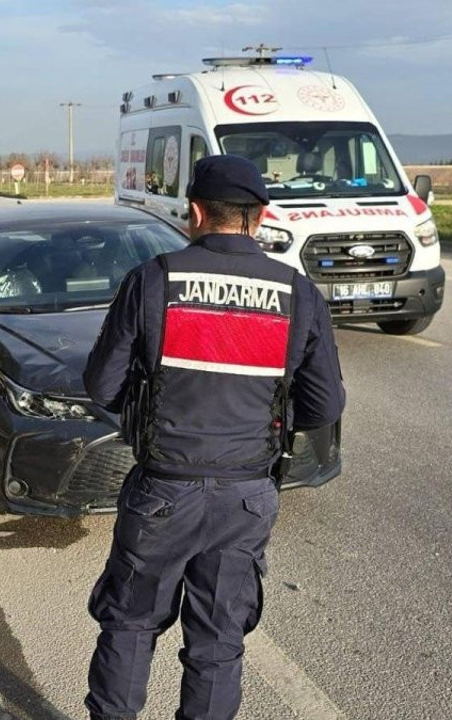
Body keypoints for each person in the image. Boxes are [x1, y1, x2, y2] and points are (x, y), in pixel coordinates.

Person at [81, 155, 345, 720]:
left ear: (196, 212)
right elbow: (325, 406)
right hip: (246, 496)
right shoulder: (297, 293)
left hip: (162, 492)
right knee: (217, 645)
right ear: (260, 215)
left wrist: (147, 413)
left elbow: (102, 385)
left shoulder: (155, 279)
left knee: (129, 624)